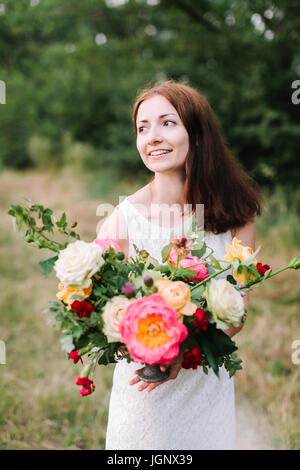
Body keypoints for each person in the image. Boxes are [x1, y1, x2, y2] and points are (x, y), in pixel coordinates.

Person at [98, 80, 261, 450]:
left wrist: (184, 354)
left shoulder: (236, 215)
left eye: (167, 123)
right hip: (145, 395)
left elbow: (238, 310)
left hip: (206, 388)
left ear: (198, 134)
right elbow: (100, 308)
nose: (152, 137)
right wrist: (146, 347)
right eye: (143, 128)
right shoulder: (122, 221)